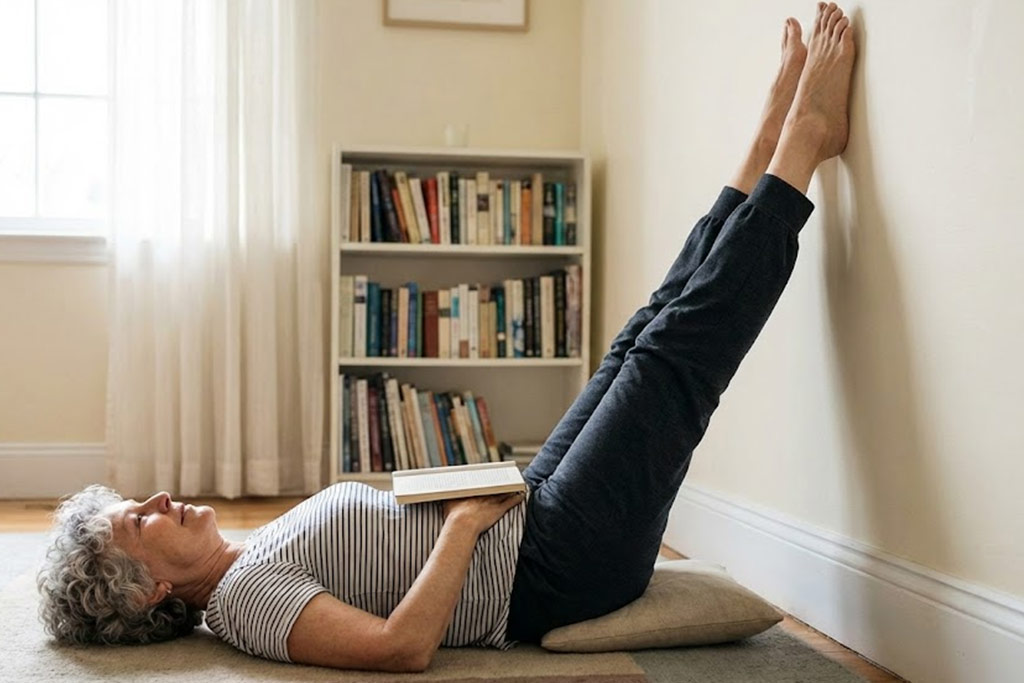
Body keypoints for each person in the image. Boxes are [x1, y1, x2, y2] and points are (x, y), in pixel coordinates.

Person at [37, 3, 855, 673]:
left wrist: (463, 499)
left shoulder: (243, 562)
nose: (155, 501)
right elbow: (402, 647)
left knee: (636, 339)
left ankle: (761, 150)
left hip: (526, 516)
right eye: (137, 522)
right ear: (149, 591)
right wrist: (462, 521)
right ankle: (804, 142)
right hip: (554, 567)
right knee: (670, 360)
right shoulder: (242, 604)